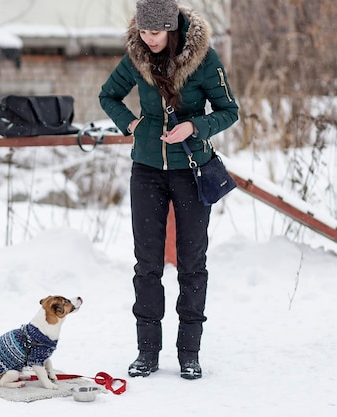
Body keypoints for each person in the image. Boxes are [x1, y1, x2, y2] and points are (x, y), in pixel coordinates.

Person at [98, 0, 239, 380]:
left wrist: (194, 128)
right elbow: (107, 95)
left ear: (172, 28)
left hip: (190, 171)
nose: (149, 40)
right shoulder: (137, 56)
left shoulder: (204, 60)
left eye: (156, 33)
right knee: (147, 265)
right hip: (146, 171)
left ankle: (189, 353)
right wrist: (129, 124)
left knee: (192, 265)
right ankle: (147, 353)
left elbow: (229, 110)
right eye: (143, 32)